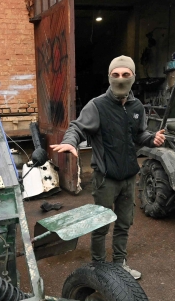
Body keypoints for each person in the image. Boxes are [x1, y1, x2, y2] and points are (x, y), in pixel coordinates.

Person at [51, 55, 166, 280]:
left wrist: (152, 139)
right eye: (116, 75)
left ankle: (120, 264)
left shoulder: (137, 106)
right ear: (109, 77)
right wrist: (70, 141)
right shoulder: (97, 106)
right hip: (105, 179)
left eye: (125, 75)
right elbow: (77, 127)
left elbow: (139, 134)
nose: (120, 79)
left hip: (128, 178)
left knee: (124, 223)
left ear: (133, 77)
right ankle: (99, 268)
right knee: (101, 224)